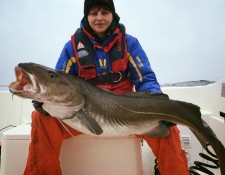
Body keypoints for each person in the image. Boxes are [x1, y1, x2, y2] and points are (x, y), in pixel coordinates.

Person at [24, 0, 189, 174]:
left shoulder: (130, 44)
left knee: (168, 128)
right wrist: (43, 101)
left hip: (127, 113)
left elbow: (145, 79)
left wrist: (159, 104)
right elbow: (60, 83)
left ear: (113, 15)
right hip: (84, 114)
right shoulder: (72, 48)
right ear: (87, 16)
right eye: (94, 13)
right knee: (41, 119)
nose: (99, 18)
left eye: (105, 12)